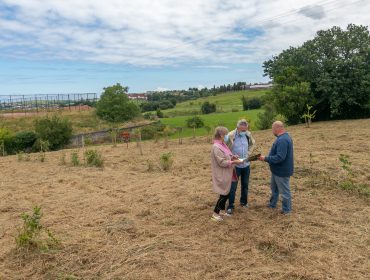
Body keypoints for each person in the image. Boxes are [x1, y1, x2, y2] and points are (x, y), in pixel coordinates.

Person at [258, 121, 294, 214]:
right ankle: (272, 204)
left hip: (282, 171)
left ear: (278, 128)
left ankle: (287, 210)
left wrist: (265, 158)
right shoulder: (282, 138)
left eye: (273, 129)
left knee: (284, 192)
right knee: (274, 189)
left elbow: (280, 157)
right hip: (276, 170)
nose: (272, 131)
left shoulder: (282, 140)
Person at [211, 126, 242, 222]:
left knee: (226, 193)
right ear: (221, 135)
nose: (227, 136)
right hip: (222, 173)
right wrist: (233, 162)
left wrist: (233, 157)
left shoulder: (222, 144)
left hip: (228, 172)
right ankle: (215, 214)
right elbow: (222, 162)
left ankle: (220, 211)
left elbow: (227, 155)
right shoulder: (216, 147)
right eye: (226, 134)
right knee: (224, 194)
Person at [225, 119, 255, 214]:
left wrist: (248, 154)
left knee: (245, 185)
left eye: (245, 130)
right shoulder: (230, 135)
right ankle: (230, 206)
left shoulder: (248, 134)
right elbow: (224, 149)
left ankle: (244, 202)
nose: (244, 132)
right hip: (235, 166)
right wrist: (231, 157)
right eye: (242, 130)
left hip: (246, 165)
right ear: (237, 128)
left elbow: (252, 144)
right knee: (233, 186)